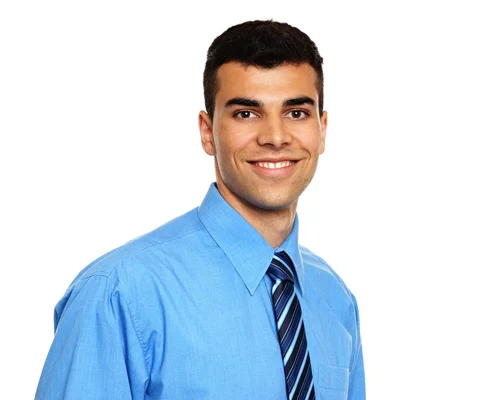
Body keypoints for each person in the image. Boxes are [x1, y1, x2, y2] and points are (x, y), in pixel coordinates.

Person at [35, 19, 365, 399]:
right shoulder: (119, 293)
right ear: (208, 132)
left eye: (296, 113)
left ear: (322, 129)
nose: (275, 137)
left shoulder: (335, 299)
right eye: (246, 113)